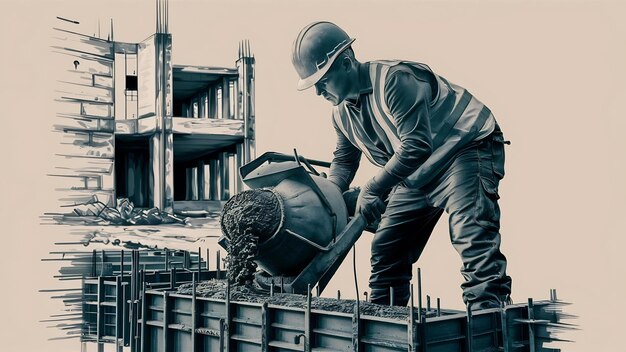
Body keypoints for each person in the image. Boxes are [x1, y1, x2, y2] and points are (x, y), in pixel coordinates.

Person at [291, 21, 512, 310]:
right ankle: (385, 325)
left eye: (322, 81)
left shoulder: (394, 80)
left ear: (346, 63)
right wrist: (329, 198)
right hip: (416, 174)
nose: (319, 92)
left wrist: (372, 188)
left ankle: (489, 320)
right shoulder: (341, 114)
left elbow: (416, 145)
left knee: (469, 233)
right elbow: (345, 160)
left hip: (464, 149)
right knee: (387, 247)